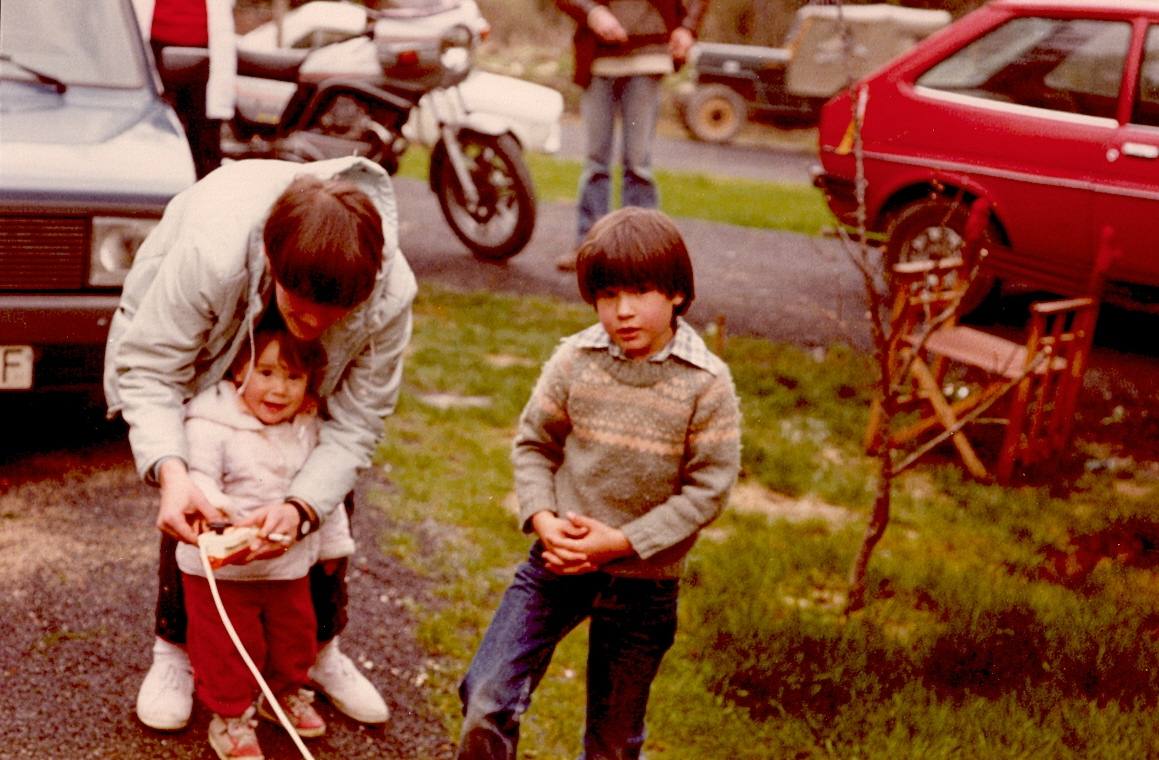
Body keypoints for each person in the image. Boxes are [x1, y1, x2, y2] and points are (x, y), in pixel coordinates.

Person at [104, 155, 415, 732]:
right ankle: (173, 651)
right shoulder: (210, 254)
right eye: (302, 308)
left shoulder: (390, 295)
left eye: (334, 313)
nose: (317, 324)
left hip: (308, 399)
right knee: (197, 489)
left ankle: (321, 651)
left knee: (323, 495)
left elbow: (356, 423)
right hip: (196, 347)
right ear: (273, 265)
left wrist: (300, 508)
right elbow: (150, 370)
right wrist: (174, 475)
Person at [455, 207, 741, 759]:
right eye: (607, 295)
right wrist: (544, 520)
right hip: (557, 564)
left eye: (640, 292)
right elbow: (535, 444)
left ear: (678, 293)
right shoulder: (575, 360)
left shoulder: (706, 384)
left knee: (612, 742)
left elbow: (709, 490)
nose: (623, 311)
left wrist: (622, 542)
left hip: (644, 583)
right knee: (486, 697)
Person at [180, 324, 348, 759]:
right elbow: (199, 478)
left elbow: (324, 492)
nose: (279, 389)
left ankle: (285, 694)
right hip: (222, 566)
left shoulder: (307, 428)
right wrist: (222, 519)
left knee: (295, 634)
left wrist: (332, 546)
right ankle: (231, 717)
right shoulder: (210, 422)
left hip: (286, 563)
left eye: (293, 377)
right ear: (239, 369)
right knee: (227, 646)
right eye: (267, 373)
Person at [554, 0, 709, 271]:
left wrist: (687, 28)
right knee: (596, 162)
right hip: (597, 58)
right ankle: (591, 248)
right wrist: (592, 13)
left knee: (637, 164)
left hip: (648, 57)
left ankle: (643, 252)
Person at [133, 0, 237, 178]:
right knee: (149, 138)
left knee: (204, 143)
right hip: (151, 48)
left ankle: (205, 199)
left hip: (206, 53)